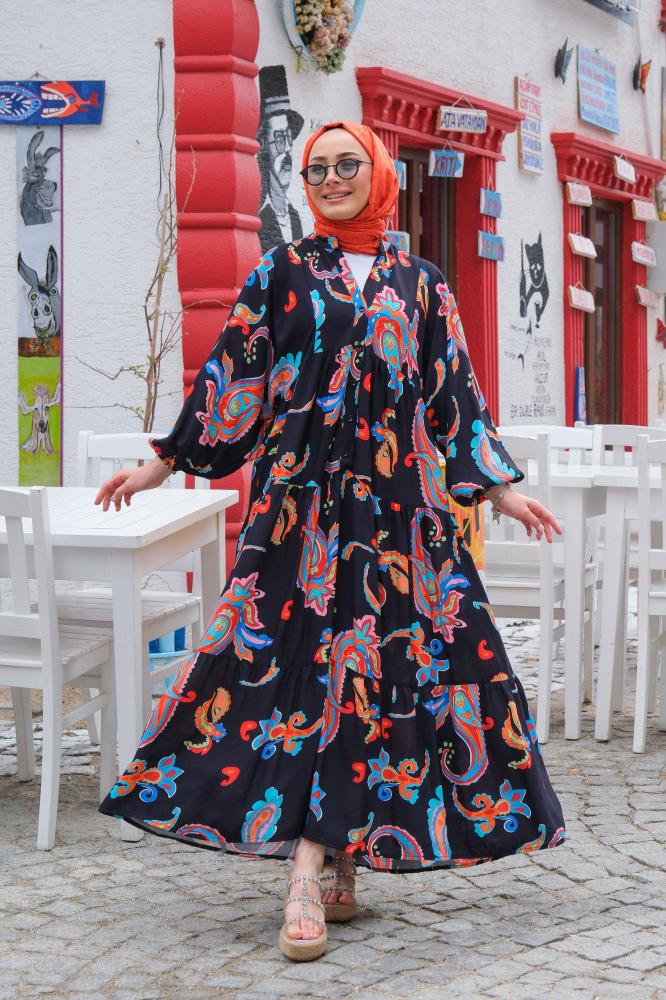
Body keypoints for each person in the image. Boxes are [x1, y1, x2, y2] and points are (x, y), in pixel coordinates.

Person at [97, 120, 566, 963]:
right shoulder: (281, 273)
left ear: (379, 172)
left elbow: (452, 397)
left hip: (401, 523)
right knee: (292, 676)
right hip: (300, 520)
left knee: (388, 679)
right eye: (317, 168)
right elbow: (233, 377)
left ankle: (335, 852)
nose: (333, 177)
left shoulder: (422, 285)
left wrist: (502, 489)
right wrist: (161, 463)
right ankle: (309, 871)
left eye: (349, 164)